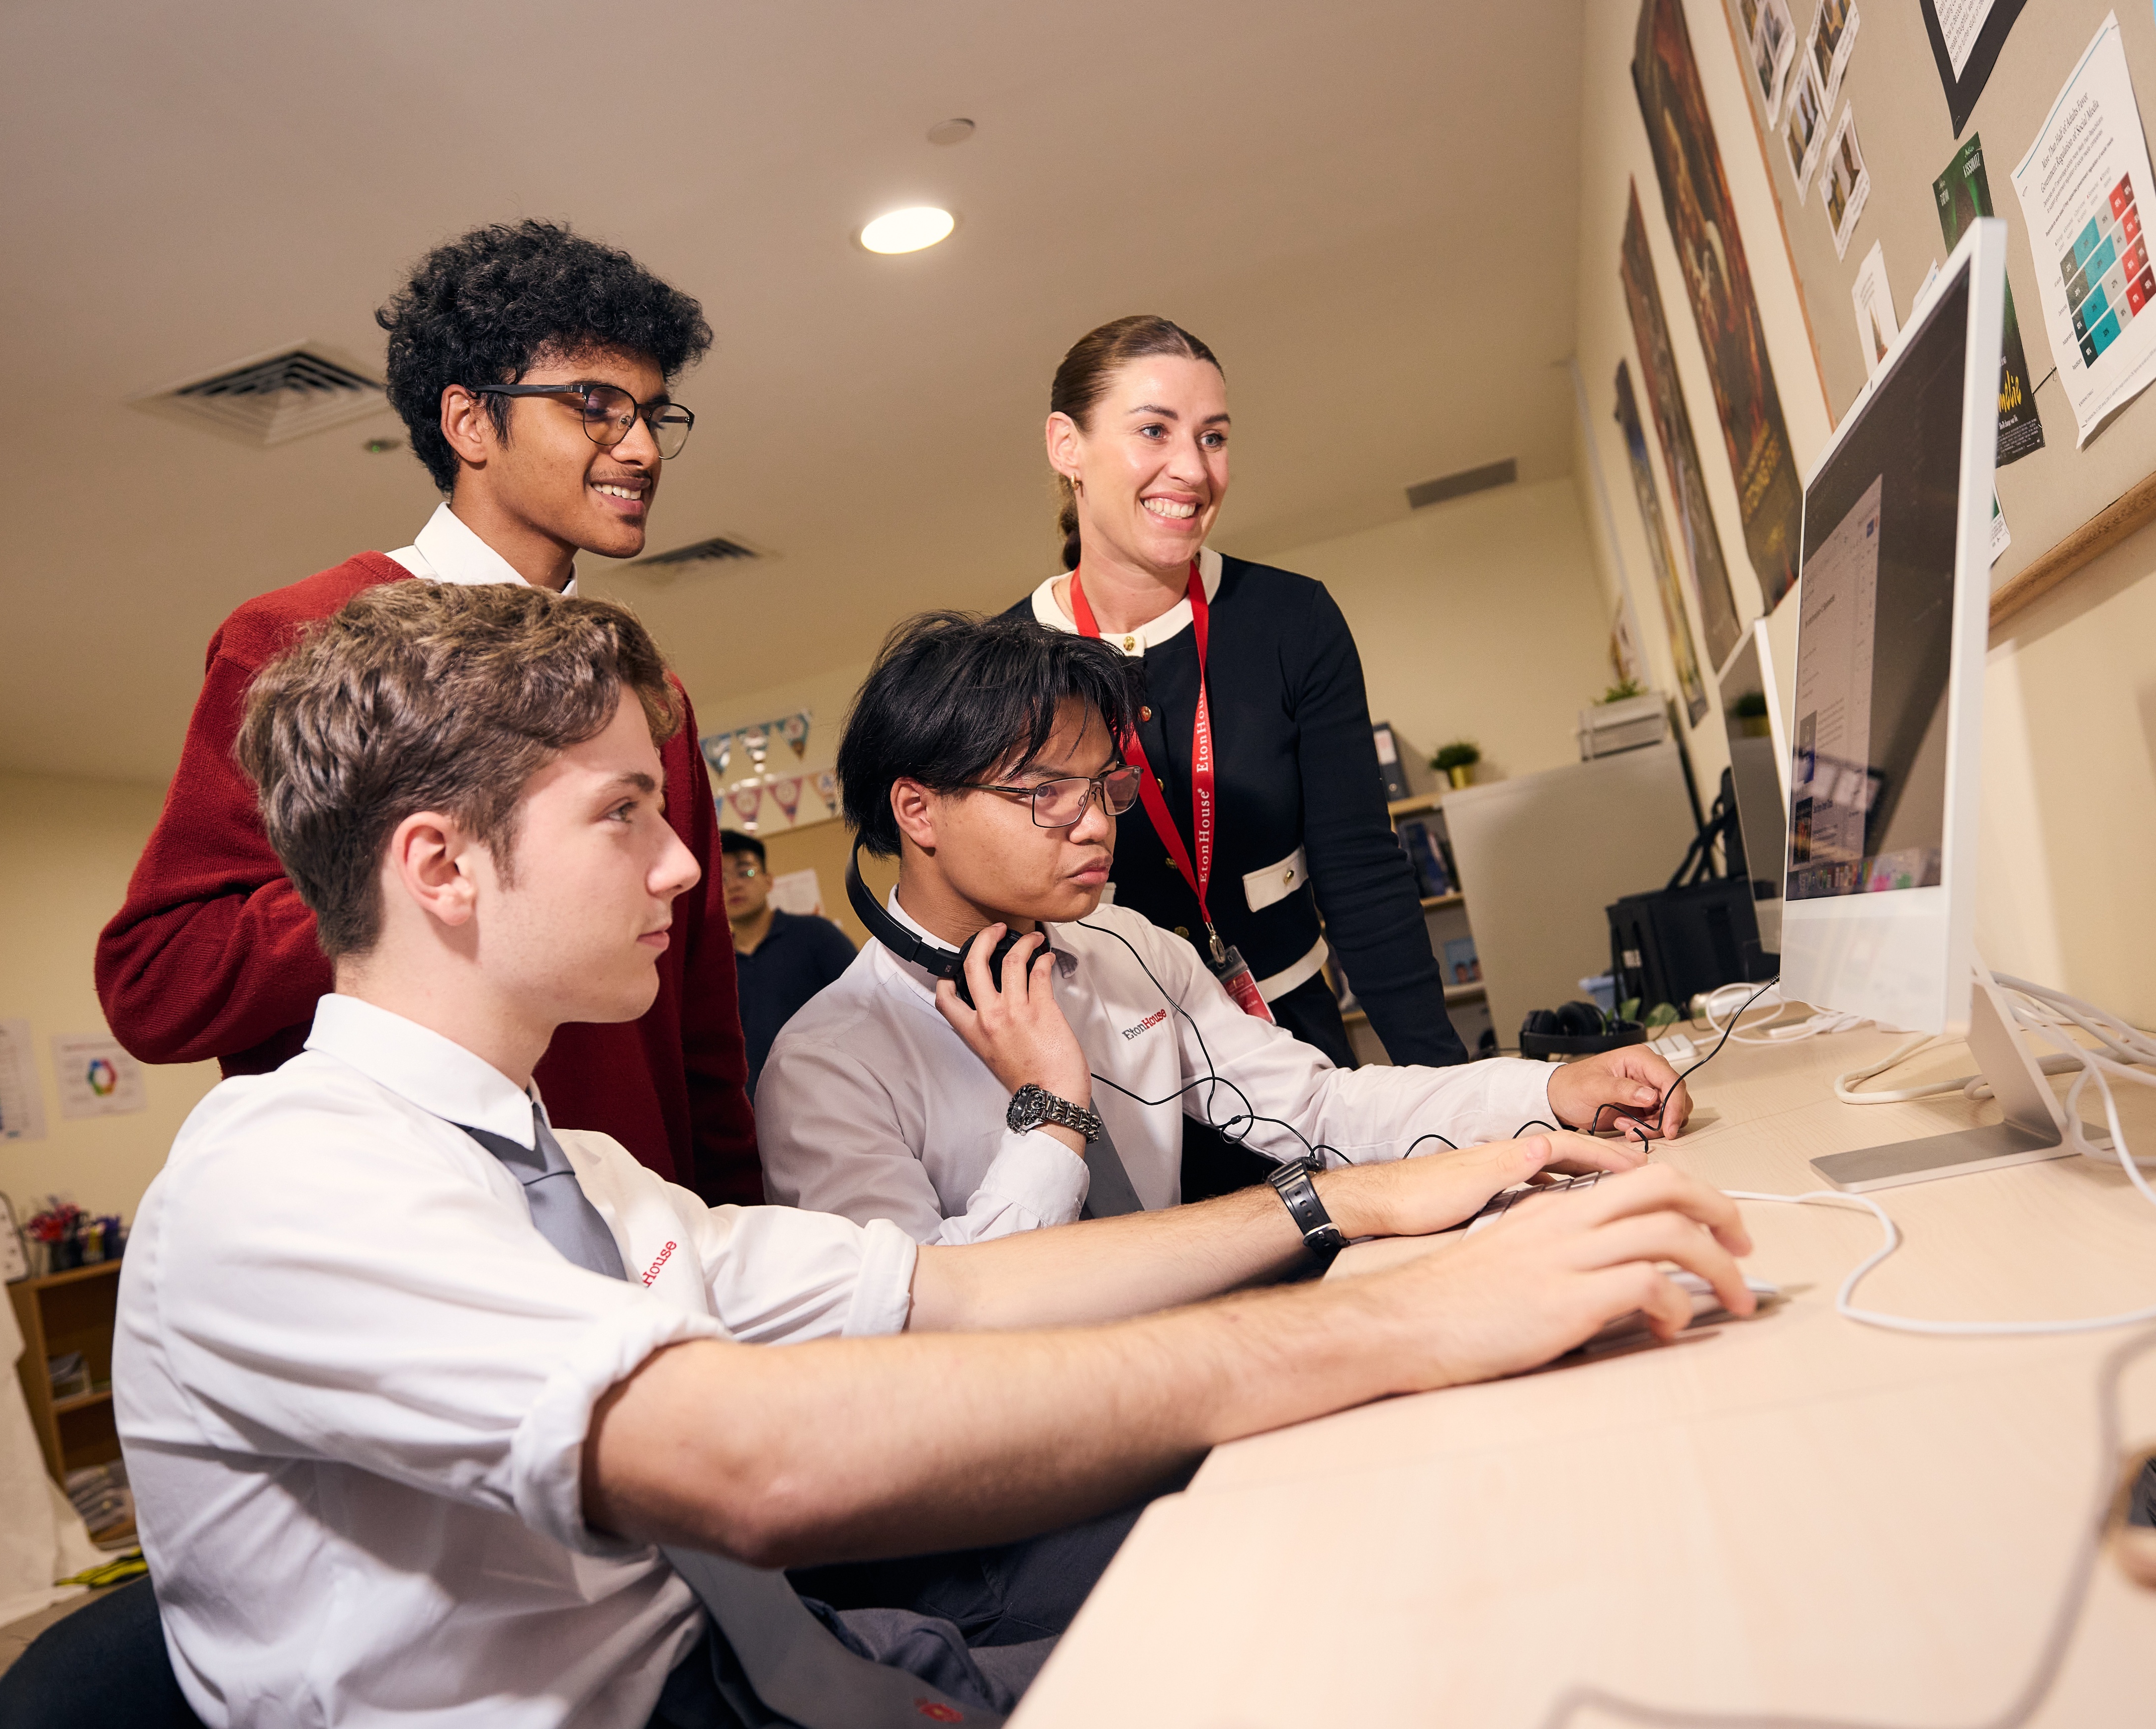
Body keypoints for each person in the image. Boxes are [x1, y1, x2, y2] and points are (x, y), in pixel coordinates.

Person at [115, 578, 1755, 1728]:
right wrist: (1391, 1320)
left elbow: (947, 1291)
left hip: (782, 1671)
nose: (691, 863)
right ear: (440, 864)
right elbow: (760, 1462)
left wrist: (1362, 1194)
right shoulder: (287, 1174)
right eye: (625, 812)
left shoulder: (570, 1170)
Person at [95, 219, 763, 1203]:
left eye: (653, 416)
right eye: (595, 407)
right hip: (403, 1243)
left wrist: (736, 1234)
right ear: (471, 423)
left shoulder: (651, 700)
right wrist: (421, 878)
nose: (640, 448)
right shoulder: (301, 637)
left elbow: (700, 1021)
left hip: (641, 1245)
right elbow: (159, 987)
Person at [756, 613, 1693, 1244]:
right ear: (917, 811)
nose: (1094, 822)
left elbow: (1320, 1111)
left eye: (1103, 787)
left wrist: (1549, 1088)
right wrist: (1049, 1106)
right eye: (1045, 791)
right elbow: (923, 1318)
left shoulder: (1125, 944)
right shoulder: (830, 1063)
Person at [1001, 314, 1463, 1079]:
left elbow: (1359, 869)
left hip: (1290, 1031)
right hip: (1107, 1065)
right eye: (1154, 430)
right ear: (1065, 445)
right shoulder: (1001, 670)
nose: (1191, 467)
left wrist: (1450, 1087)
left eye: (1212, 437)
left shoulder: (1289, 620)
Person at [720, 828, 857, 1093]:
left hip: (832, 1092)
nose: (733, 885)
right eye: (722, 879)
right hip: (756, 1110)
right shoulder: (716, 966)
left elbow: (864, 1003)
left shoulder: (816, 934)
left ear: (768, 881)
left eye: (745, 872)